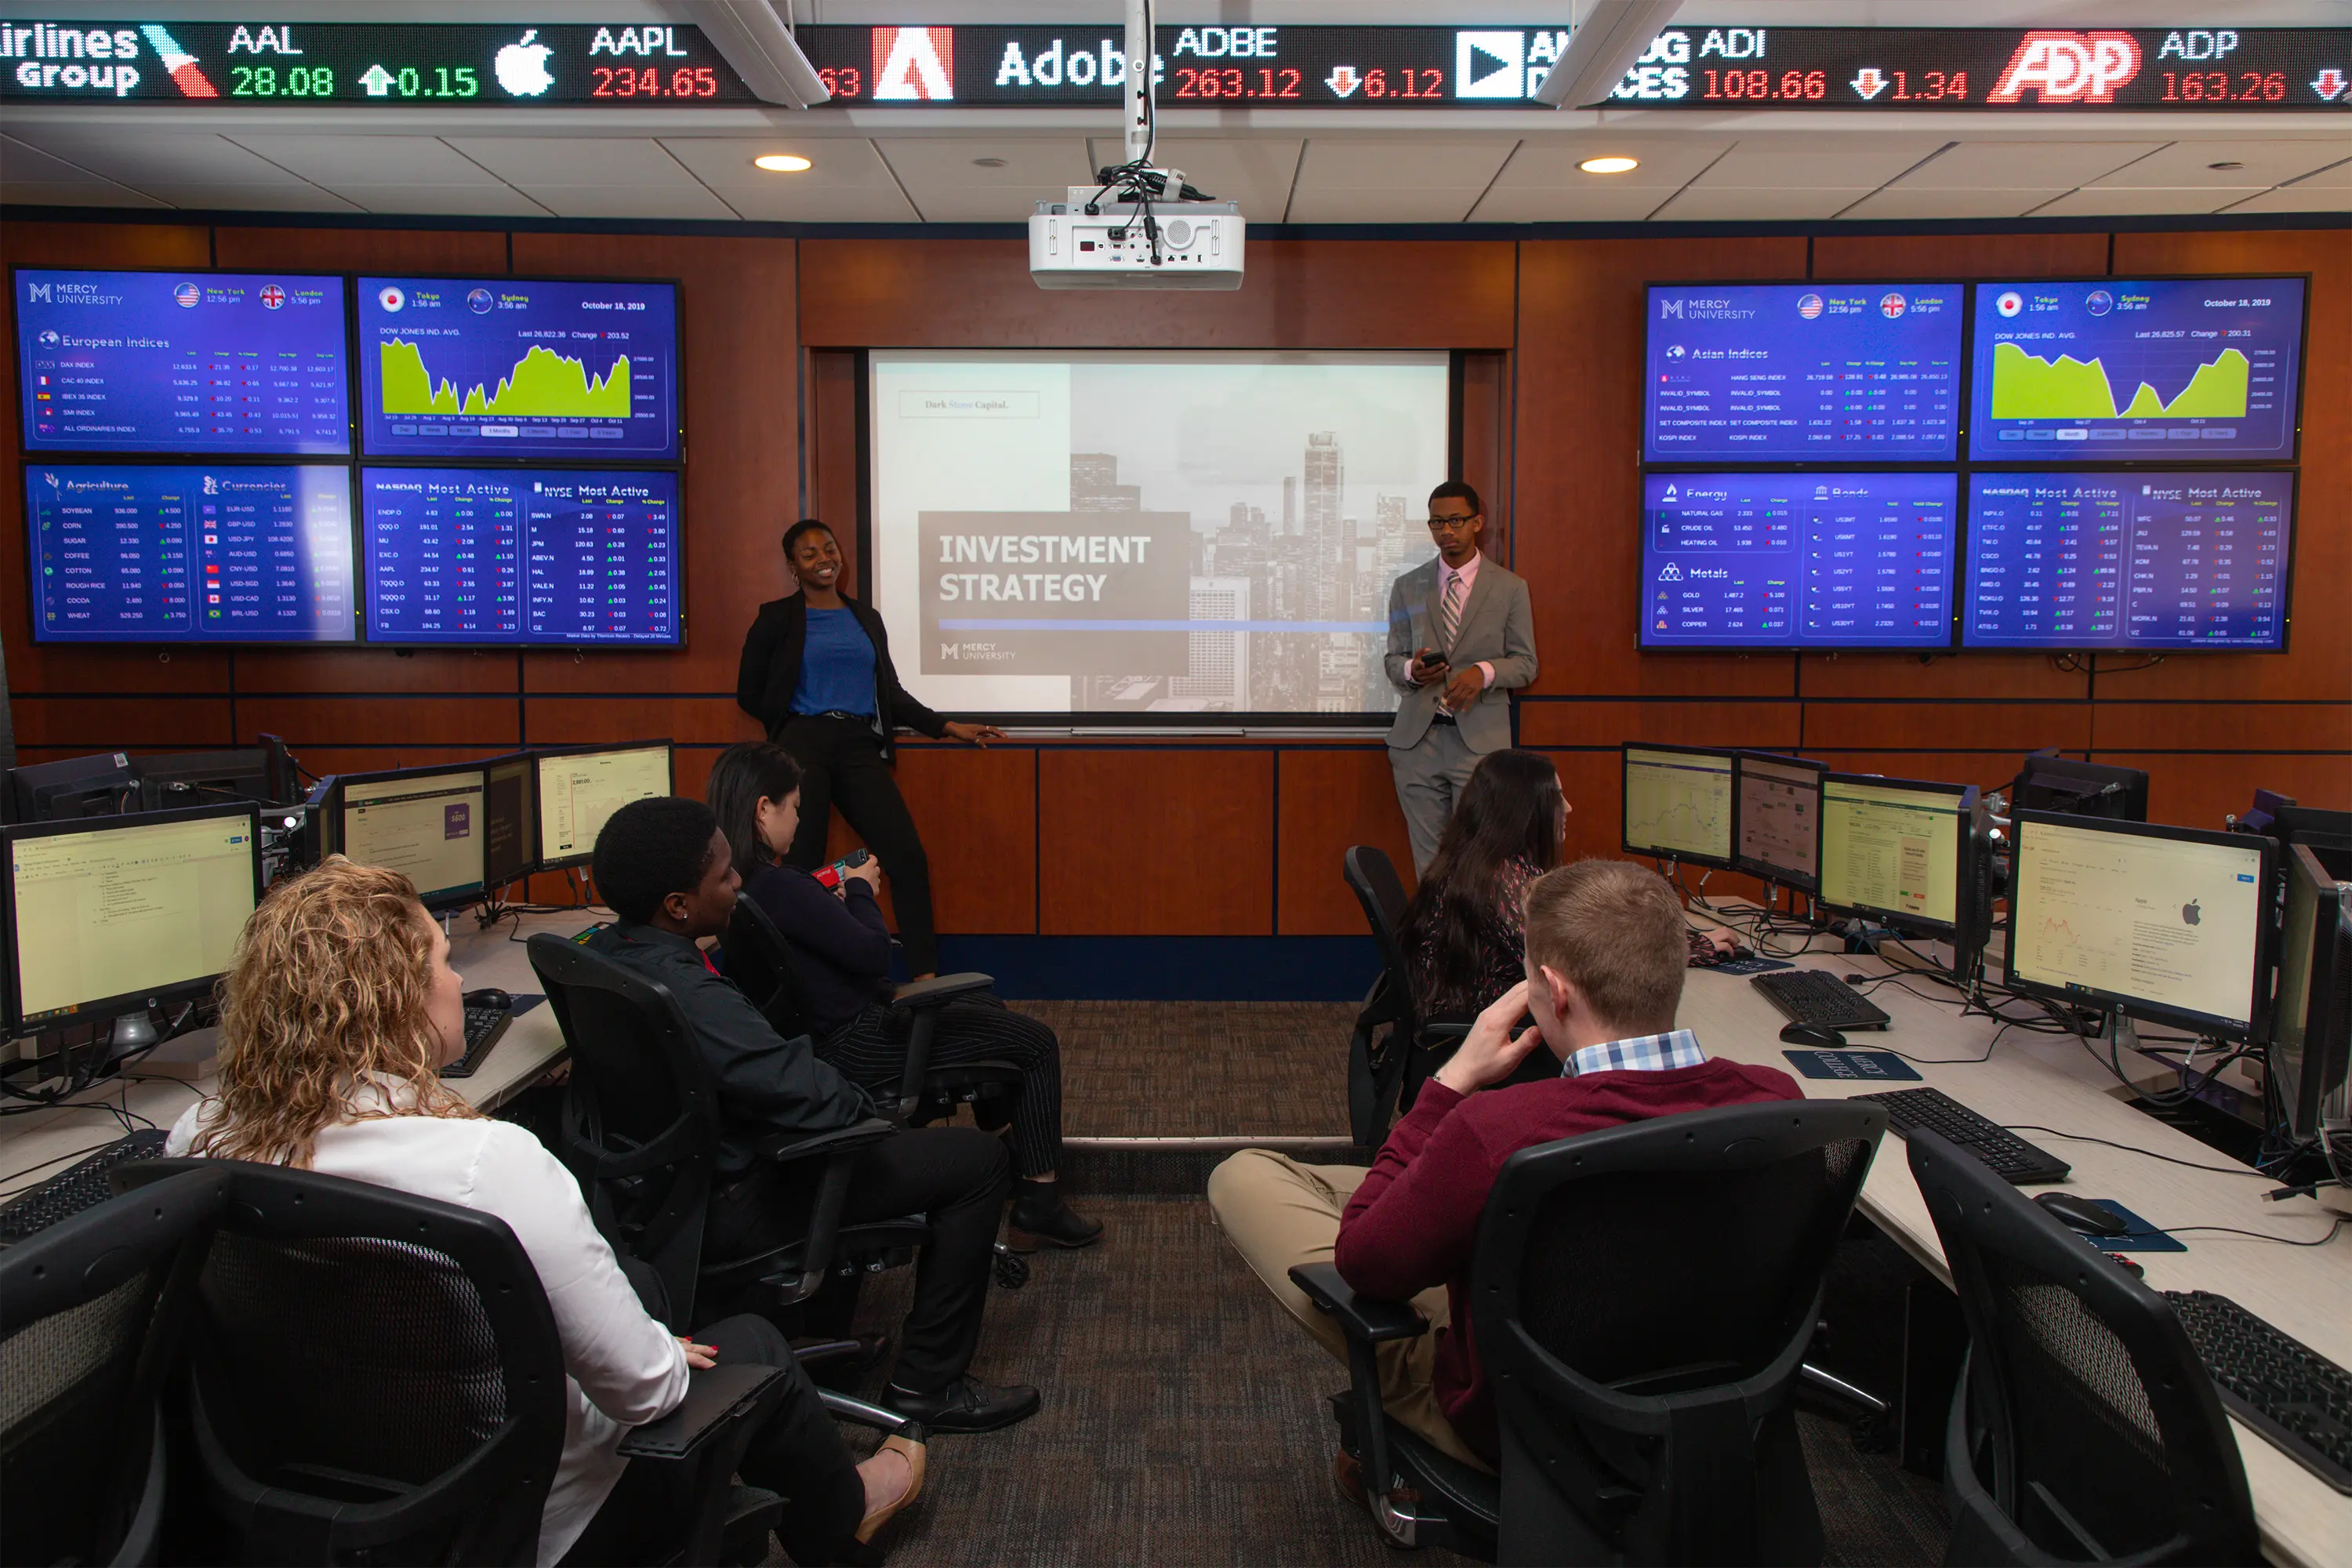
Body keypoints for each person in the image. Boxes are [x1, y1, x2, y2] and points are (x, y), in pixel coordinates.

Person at [163, 857, 924, 1566]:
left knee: (637, 1302)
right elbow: (645, 1392)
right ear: (391, 1000)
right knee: (750, 1341)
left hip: (341, 1502)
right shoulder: (488, 1164)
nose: (457, 979)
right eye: (440, 959)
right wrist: (656, 1352)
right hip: (544, 1521)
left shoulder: (195, 1141)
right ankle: (846, 1513)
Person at [1207, 858, 1802, 1472]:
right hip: (1704, 1407)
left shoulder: (1498, 1131)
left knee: (1243, 1176)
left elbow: (1366, 1262)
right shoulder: (1777, 1103)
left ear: (1556, 990)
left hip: (1524, 1427)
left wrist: (1451, 1081)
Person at [584, 795, 1041, 1433]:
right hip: (741, 1200)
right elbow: (811, 1096)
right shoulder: (690, 993)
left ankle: (828, 1341)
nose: (738, 880)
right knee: (980, 1163)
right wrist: (867, 1113)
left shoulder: (603, 953)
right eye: (723, 875)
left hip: (668, 1203)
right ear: (678, 906)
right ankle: (927, 1386)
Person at [706, 739, 1102, 1251]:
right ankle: (1038, 1205)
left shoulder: (741, 888)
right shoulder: (785, 888)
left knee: (987, 1010)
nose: (800, 822)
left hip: (820, 1042)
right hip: (861, 1042)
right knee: (1037, 1043)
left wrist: (835, 901)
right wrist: (861, 890)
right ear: (765, 809)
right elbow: (873, 952)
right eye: (795, 809)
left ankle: (1014, 1158)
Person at [735, 517, 1004, 979]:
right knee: (802, 866)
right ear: (793, 567)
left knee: (906, 857)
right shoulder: (777, 617)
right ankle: (799, 978)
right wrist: (790, 724)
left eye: (830, 548)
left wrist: (945, 726)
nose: (825, 559)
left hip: (858, 744)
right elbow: (749, 693)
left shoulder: (865, 618)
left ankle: (925, 980)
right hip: (804, 745)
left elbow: (891, 694)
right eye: (810, 553)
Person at [1383, 481, 1538, 877]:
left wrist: (1483, 673)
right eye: (1437, 523)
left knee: (1480, 862)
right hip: (1418, 743)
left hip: (1480, 745)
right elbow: (1392, 659)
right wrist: (1411, 671)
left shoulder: (1510, 588)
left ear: (1477, 522)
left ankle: (1472, 941)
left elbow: (1526, 663)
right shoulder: (1407, 586)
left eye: (1455, 520)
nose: (1446, 531)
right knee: (1429, 864)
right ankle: (1434, 939)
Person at [1400, 748, 1568, 1021]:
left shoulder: (1475, 860)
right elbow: (1558, 968)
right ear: (1525, 811)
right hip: (1476, 1023)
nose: (1568, 808)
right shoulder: (1501, 880)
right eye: (1557, 798)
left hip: (1468, 1009)